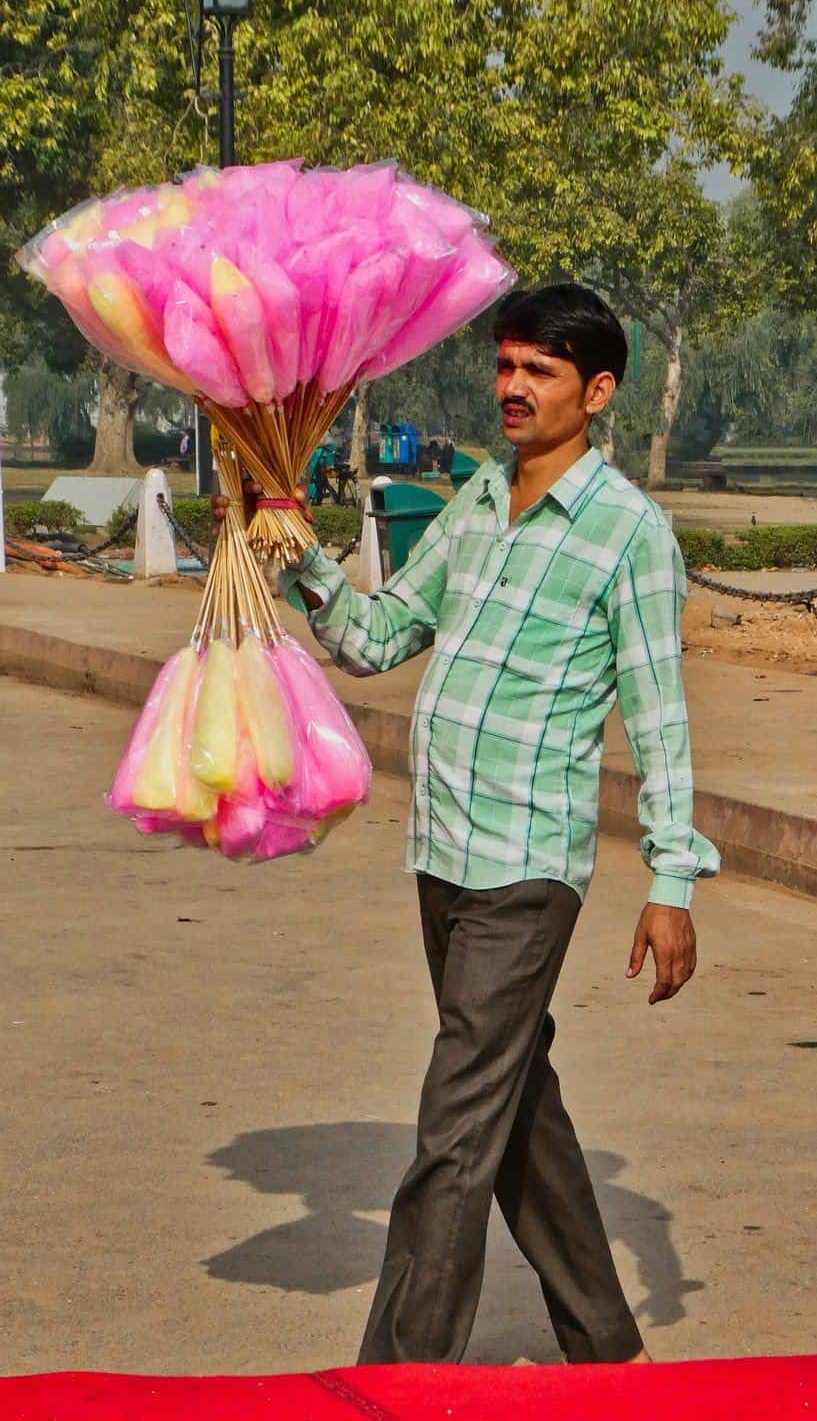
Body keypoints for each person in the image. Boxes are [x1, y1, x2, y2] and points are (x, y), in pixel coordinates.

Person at [213, 283, 719, 1366]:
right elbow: (381, 634)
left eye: (538, 370)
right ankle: (606, 1348)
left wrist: (672, 881)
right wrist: (298, 551)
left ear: (598, 389)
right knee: (513, 1103)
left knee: (450, 1136)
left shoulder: (629, 534)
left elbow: (660, 718)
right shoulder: (480, 497)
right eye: (504, 366)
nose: (512, 388)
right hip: (443, 852)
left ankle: (397, 1381)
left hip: (529, 866)